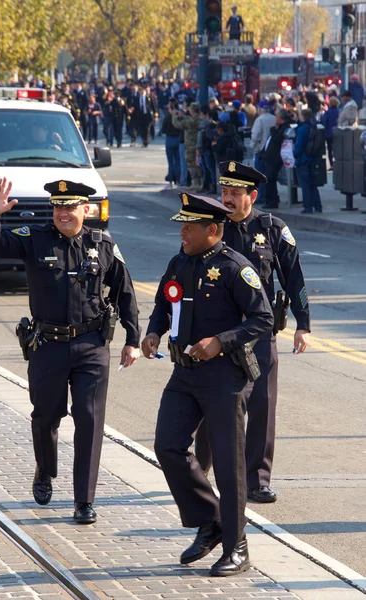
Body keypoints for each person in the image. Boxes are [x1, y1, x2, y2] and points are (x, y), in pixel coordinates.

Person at [0, 178, 141, 524]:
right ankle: (45, 469)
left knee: (89, 419)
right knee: (46, 416)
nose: (63, 213)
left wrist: (133, 337)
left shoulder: (103, 243)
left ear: (86, 209)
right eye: (58, 206)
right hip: (47, 346)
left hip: (91, 347)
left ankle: (84, 500)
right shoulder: (34, 239)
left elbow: (125, 291)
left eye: (70, 207)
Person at [142, 191, 273, 576]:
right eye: (181, 225)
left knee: (229, 465)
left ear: (212, 230)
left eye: (189, 226)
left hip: (223, 378)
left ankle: (237, 547)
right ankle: (211, 519)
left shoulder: (235, 267)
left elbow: (262, 318)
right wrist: (153, 332)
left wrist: (221, 341)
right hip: (184, 374)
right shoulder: (179, 262)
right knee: (167, 446)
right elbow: (164, 305)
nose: (182, 232)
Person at [195, 161, 311, 503]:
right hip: (217, 335)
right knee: (216, 405)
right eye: (225, 192)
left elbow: (294, 278)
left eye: (235, 194)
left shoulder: (271, 228)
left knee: (261, 404)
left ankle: (257, 479)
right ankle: (200, 470)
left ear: (252, 196)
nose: (227, 199)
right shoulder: (209, 227)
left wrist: (303, 324)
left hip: (259, 333)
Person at [294, 108, 323, 214]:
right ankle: (318, 206)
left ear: (302, 116)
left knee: (305, 185)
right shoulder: (313, 126)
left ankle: (308, 207)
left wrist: (295, 154)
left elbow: (299, 147)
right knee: (313, 184)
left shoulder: (302, 129)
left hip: (303, 160)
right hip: (312, 159)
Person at [261, 108, 291, 209]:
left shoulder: (284, 128)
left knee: (270, 179)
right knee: (269, 179)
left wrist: (272, 129)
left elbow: (277, 139)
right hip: (270, 157)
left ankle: (272, 201)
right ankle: (271, 199)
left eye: (277, 117)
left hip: (275, 158)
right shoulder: (279, 127)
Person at [172, 102, 202, 189]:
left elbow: (177, 124)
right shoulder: (199, 119)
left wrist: (174, 116)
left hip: (190, 146)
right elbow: (190, 119)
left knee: (191, 164)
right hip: (199, 145)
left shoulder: (189, 121)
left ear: (192, 110)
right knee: (199, 164)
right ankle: (202, 183)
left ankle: (195, 183)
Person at [251, 101, 276, 204]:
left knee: (259, 175)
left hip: (261, 150)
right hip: (271, 151)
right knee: (268, 175)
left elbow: (255, 135)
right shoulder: (274, 118)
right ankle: (269, 196)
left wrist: (254, 147)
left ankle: (262, 196)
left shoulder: (260, 119)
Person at [162, 100, 181, 190]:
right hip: (178, 138)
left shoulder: (168, 117)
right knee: (178, 160)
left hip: (170, 139)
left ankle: (170, 181)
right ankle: (178, 179)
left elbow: (163, 129)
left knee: (170, 162)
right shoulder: (179, 116)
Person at [319, 96, 339, 170]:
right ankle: (337, 163)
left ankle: (331, 164)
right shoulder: (339, 111)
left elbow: (323, 121)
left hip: (328, 133)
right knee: (337, 149)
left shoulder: (327, 112)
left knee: (330, 150)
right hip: (337, 133)